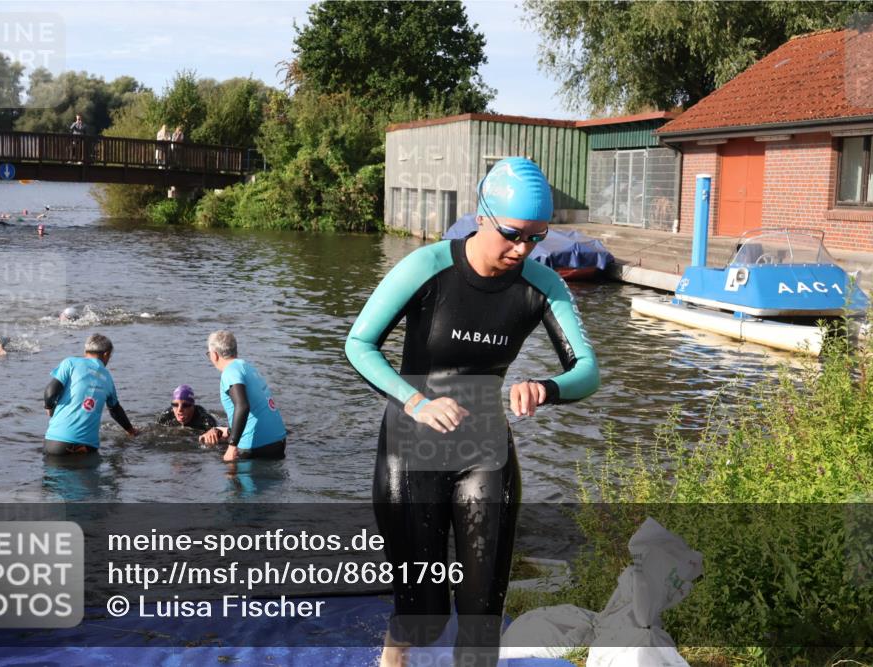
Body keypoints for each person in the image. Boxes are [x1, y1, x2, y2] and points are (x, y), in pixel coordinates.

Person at [345, 157, 599, 667]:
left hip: (484, 448)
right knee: (426, 615)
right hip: (410, 445)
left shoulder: (541, 286)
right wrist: (416, 401)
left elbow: (588, 369)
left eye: (536, 237)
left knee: (483, 615)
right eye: (512, 234)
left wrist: (545, 388)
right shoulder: (427, 266)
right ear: (482, 215)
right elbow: (360, 344)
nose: (523, 249)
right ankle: (394, 657)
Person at [43, 333, 138, 455]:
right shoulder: (107, 377)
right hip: (85, 447)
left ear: (85, 351)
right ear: (106, 354)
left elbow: (50, 392)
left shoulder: (70, 363)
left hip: (54, 442)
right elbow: (115, 410)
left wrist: (49, 407)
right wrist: (131, 431)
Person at [199, 330, 286, 461]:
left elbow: (243, 406)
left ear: (215, 355)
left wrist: (232, 446)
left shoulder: (229, 372)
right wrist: (228, 431)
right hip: (279, 441)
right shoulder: (248, 368)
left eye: (208, 354)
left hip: (256, 447)